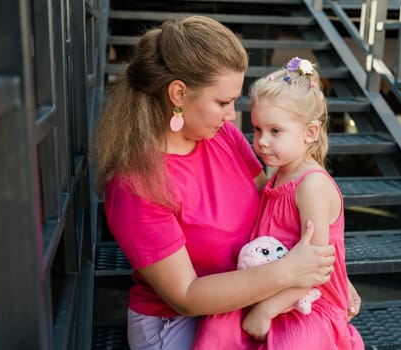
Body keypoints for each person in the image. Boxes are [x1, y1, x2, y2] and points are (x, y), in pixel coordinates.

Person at [92, 16, 345, 350]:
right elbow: (186, 296)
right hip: (178, 321)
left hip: (254, 296)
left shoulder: (221, 135)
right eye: (223, 102)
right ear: (179, 93)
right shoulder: (137, 185)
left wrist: (326, 279)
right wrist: (289, 273)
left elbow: (273, 208)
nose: (232, 116)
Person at [192, 57, 364, 349]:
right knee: (215, 330)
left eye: (275, 131)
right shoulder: (278, 176)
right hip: (273, 285)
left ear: (309, 133)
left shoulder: (311, 185)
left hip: (308, 299)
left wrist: (265, 310)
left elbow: (315, 269)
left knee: (292, 343)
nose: (261, 142)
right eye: (258, 129)